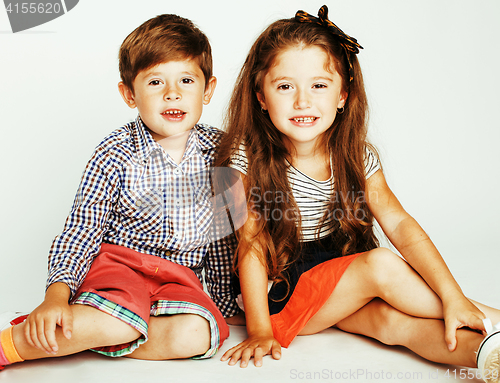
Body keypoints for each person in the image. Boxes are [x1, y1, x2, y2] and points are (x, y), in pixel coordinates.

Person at [216, 5, 500, 381]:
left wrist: (452, 293)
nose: (303, 101)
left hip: (338, 285)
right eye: (285, 86)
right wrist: (260, 330)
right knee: (380, 264)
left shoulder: (355, 155)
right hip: (281, 292)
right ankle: (491, 318)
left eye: (319, 85)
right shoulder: (245, 157)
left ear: (343, 96)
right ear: (261, 97)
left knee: (390, 323)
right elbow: (250, 242)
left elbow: (400, 224)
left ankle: (488, 355)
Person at [0, 13, 239, 371]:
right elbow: (83, 229)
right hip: (118, 266)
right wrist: (56, 296)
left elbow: (222, 238)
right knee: (121, 316)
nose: (172, 93)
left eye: (186, 80)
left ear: (207, 89)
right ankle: (13, 344)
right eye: (156, 82)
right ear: (129, 94)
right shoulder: (115, 152)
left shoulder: (220, 152)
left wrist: (224, 301)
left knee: (201, 334)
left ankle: (91, 337)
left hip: (178, 276)